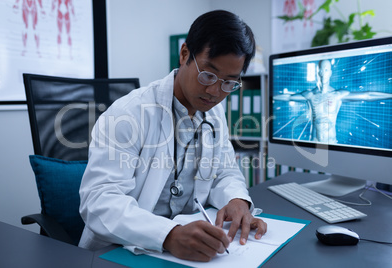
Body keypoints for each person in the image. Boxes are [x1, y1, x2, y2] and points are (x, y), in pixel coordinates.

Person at [78, 10, 267, 262]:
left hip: (186, 250)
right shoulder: (129, 113)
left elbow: (224, 171)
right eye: (208, 75)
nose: (214, 91)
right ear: (185, 53)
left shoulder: (214, 113)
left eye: (228, 83)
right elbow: (98, 202)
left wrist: (237, 199)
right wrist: (168, 235)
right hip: (118, 250)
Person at [274, 59, 392, 143]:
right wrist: (270, 97)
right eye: (320, 70)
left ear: (330, 73)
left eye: (326, 70)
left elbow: (367, 96)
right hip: (314, 143)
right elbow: (288, 97)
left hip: (332, 144)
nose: (322, 73)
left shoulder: (337, 95)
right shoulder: (310, 95)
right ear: (317, 72)